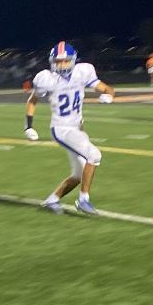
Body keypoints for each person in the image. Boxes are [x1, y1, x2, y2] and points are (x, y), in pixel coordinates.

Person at [25, 41, 114, 215]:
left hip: (77, 128)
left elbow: (107, 88)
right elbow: (32, 101)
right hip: (61, 128)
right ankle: (83, 200)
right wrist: (28, 126)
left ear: (73, 60)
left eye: (65, 61)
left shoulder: (83, 72)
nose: (62, 64)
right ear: (52, 62)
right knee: (94, 155)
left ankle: (52, 200)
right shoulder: (47, 78)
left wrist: (108, 95)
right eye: (58, 61)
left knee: (79, 174)